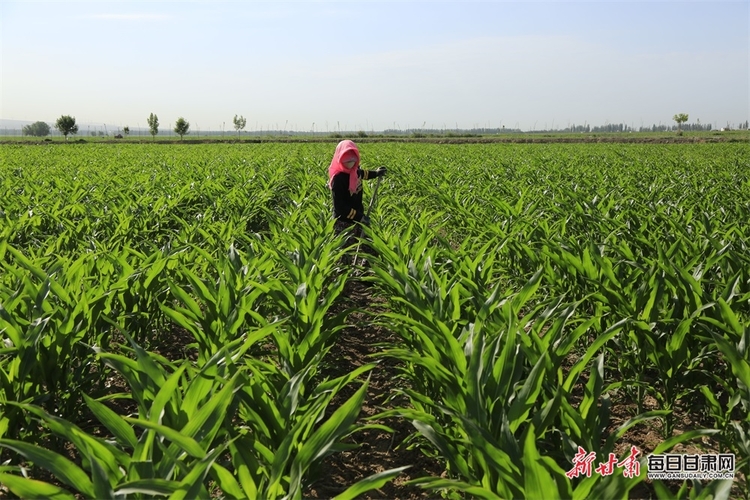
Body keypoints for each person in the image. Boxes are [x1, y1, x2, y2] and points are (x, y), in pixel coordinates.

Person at [327, 139, 386, 255]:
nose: (350, 161)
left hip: (359, 220)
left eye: (353, 157)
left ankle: (364, 271)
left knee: (372, 249)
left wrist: (377, 173)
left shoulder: (355, 172)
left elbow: (364, 174)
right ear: (339, 157)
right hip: (343, 223)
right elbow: (339, 207)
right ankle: (344, 273)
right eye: (346, 157)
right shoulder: (338, 179)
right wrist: (359, 216)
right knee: (345, 254)